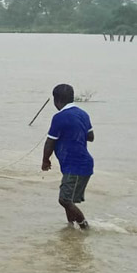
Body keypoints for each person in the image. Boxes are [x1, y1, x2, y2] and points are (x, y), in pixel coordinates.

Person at [42, 83, 95, 229]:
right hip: (82, 164)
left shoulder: (59, 117)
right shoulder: (83, 114)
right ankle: (70, 228)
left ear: (56, 100)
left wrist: (45, 161)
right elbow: (91, 136)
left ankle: (84, 227)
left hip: (76, 166)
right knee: (69, 200)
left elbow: (49, 142)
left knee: (64, 200)